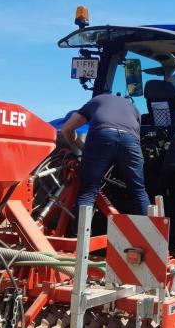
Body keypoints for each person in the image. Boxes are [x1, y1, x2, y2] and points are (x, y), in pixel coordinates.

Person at [61, 93, 151, 234]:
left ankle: (80, 240)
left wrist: (81, 147)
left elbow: (67, 129)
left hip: (102, 135)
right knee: (139, 191)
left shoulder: (97, 100)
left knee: (88, 192)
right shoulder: (134, 109)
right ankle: (151, 237)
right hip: (130, 141)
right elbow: (135, 138)